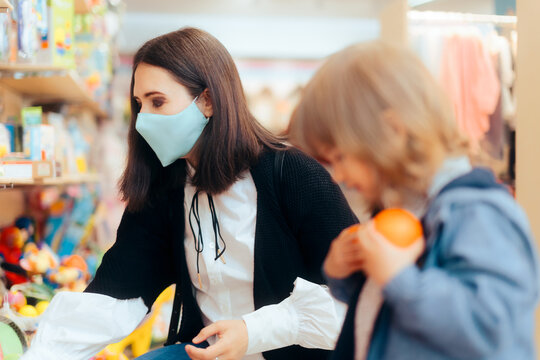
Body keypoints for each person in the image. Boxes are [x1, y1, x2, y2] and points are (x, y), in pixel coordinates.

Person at [21, 28, 357, 360]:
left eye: (158, 101)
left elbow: (356, 297)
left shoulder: (293, 176)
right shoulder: (166, 188)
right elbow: (117, 293)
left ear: (208, 101)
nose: (143, 120)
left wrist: (254, 331)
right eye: (139, 105)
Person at [288, 41, 540, 360]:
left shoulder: (478, 213)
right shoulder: (409, 208)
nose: (336, 175)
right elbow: (387, 304)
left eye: (340, 157)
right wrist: (346, 274)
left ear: (392, 130)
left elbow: (488, 328)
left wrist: (399, 279)